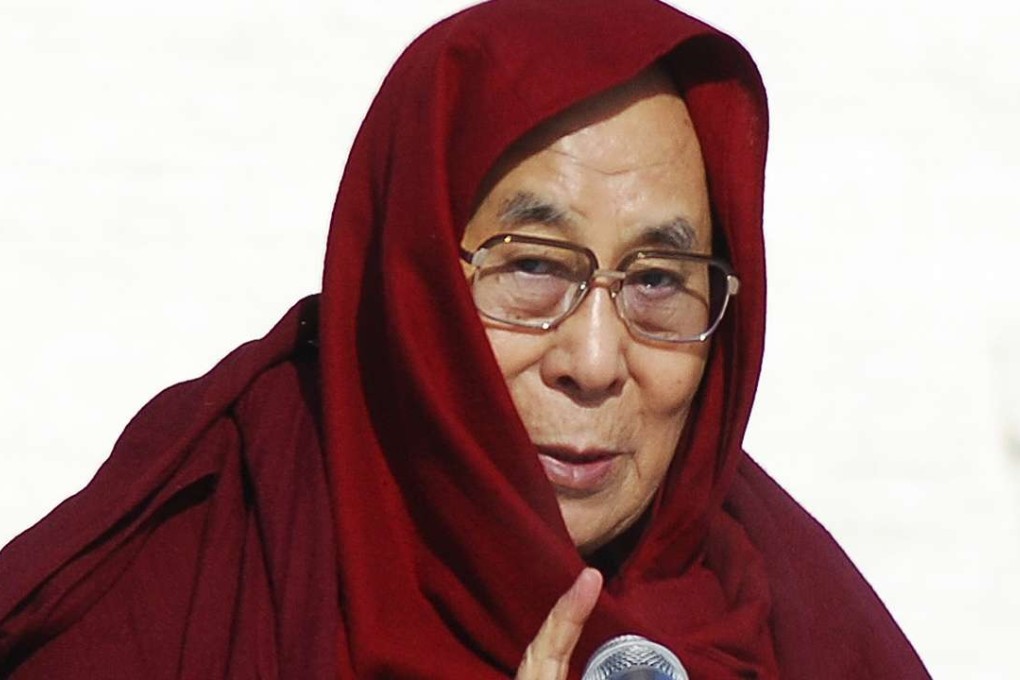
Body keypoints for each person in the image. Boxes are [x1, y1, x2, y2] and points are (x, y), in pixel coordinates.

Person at [0, 0, 930, 677]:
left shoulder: (787, 617)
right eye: (531, 267)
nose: (596, 363)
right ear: (411, 287)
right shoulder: (186, 588)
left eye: (656, 282)